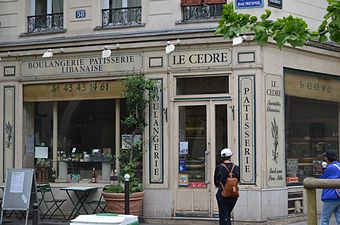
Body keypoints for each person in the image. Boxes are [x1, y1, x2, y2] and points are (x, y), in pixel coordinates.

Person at [214, 148, 240, 225]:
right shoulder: (236, 168)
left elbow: (216, 181)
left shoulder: (219, 167)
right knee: (227, 214)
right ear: (230, 156)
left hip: (222, 194)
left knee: (223, 215)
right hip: (233, 194)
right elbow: (238, 179)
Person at [319, 151, 340, 225]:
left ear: (327, 158)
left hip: (330, 195)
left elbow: (322, 179)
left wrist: (322, 169)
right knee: (339, 217)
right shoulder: (338, 165)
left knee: (324, 219)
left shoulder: (330, 167)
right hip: (339, 196)